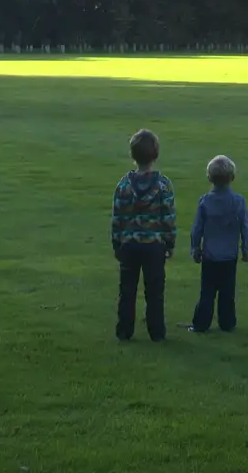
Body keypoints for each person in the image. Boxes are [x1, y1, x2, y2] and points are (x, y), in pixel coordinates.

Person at [111, 128, 176, 342]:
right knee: (155, 292)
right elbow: (168, 217)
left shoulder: (123, 185)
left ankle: (124, 330)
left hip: (129, 244)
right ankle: (156, 332)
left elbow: (118, 216)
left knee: (127, 291)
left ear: (132, 155)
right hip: (154, 245)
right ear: (155, 155)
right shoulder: (163, 185)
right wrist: (169, 242)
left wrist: (116, 243)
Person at [189, 155, 248, 334]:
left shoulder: (205, 202)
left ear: (209, 178)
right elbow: (245, 227)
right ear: (232, 178)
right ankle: (227, 322)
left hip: (210, 255)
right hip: (229, 256)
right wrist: (246, 248)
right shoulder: (239, 202)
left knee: (207, 292)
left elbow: (197, 229)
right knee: (227, 292)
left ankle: (201, 324)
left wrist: (195, 248)